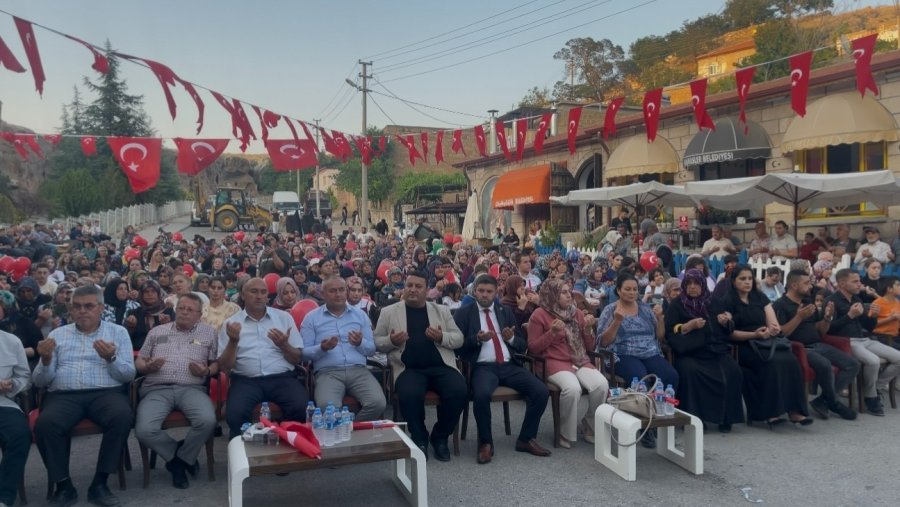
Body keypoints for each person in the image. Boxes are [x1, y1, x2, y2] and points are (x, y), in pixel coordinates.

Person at [32, 285, 136, 507]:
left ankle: (100, 483)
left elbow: (128, 375)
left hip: (105, 393)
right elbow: (39, 381)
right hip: (64, 395)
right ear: (70, 309)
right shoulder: (57, 334)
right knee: (45, 424)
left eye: (88, 306)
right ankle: (64, 486)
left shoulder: (117, 332)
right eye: (77, 306)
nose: (82, 311)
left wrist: (111, 358)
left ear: (100, 308)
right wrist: (46, 360)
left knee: (121, 416)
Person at [453, 275, 551, 464]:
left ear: (496, 292)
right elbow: (457, 346)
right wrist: (476, 339)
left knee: (541, 391)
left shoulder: (504, 310)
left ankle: (525, 439)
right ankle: (486, 443)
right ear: (474, 291)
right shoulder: (464, 313)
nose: (484, 295)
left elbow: (522, 345)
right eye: (481, 291)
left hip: (509, 365)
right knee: (481, 395)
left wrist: (511, 339)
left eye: (489, 291)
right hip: (483, 367)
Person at [374, 271, 466, 462]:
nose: (413, 290)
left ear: (427, 290)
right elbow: (376, 342)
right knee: (409, 395)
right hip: (409, 368)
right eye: (409, 286)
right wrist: (391, 340)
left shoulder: (441, 310)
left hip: (441, 366)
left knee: (459, 391)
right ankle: (419, 438)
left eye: (418, 286)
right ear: (404, 288)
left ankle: (440, 437)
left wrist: (442, 337)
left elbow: (459, 339)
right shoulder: (388, 312)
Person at [135, 293, 218, 489]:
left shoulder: (209, 333)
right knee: (145, 430)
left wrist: (206, 370)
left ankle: (178, 463)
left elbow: (216, 364)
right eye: (181, 308)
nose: (184, 312)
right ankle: (181, 455)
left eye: (190, 310)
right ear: (175, 309)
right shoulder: (158, 331)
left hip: (192, 388)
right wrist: (147, 367)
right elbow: (140, 360)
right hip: (156, 389)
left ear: (199, 314)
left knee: (207, 421)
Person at [711, 265, 811, 427]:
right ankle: (771, 413)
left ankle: (795, 411)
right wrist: (754, 334)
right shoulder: (727, 301)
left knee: (790, 360)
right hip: (743, 343)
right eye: (742, 279)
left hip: (765, 340)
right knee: (770, 363)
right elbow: (730, 333)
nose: (747, 282)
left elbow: (773, 321)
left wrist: (773, 329)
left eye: (750, 278)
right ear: (734, 281)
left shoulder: (760, 297)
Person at [217, 278, 308, 437]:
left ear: (268, 296)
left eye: (263, 292)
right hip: (246, 380)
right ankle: (245, 457)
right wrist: (233, 342)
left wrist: (284, 345)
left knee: (300, 407)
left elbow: (296, 359)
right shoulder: (231, 323)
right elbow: (225, 367)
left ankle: (284, 444)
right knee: (235, 415)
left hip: (282, 378)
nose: (259, 296)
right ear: (243, 295)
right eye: (254, 292)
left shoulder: (283, 318)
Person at [597, 273, 677, 447]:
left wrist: (661, 318)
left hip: (649, 352)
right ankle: (644, 427)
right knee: (639, 377)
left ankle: (660, 420)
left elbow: (660, 337)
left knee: (670, 375)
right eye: (627, 289)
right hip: (622, 353)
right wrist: (616, 322)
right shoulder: (610, 310)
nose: (632, 293)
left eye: (634, 289)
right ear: (618, 290)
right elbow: (603, 341)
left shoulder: (646, 309)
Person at [528, 278, 607, 449]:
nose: (569, 296)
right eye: (563, 292)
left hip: (579, 359)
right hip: (553, 361)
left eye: (569, 292)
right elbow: (533, 348)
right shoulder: (539, 314)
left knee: (601, 384)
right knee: (572, 388)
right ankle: (564, 431)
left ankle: (589, 424)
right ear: (553, 295)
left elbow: (589, 346)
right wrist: (552, 332)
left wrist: (588, 329)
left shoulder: (576, 313)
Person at [664, 269, 744, 432]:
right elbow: (670, 332)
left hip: (714, 350)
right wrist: (688, 327)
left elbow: (726, 330)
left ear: (703, 285)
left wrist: (725, 322)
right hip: (690, 352)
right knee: (689, 372)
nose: (693, 287)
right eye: (689, 284)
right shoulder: (677, 304)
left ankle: (725, 418)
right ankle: (696, 418)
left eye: (697, 284)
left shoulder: (713, 302)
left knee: (732, 371)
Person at [773, 270, 858, 420]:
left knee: (852, 364)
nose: (810, 286)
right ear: (794, 285)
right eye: (806, 283)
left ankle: (823, 400)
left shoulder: (808, 302)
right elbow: (781, 333)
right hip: (799, 349)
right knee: (824, 365)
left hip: (817, 344)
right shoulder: (780, 305)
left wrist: (826, 318)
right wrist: (799, 317)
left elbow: (820, 330)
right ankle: (834, 403)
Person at [301, 276, 386, 421]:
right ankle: (344, 431)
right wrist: (322, 348)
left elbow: (371, 350)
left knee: (378, 403)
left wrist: (360, 343)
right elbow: (303, 354)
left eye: (341, 290)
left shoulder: (360, 315)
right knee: (328, 408)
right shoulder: (311, 318)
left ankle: (350, 429)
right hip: (328, 372)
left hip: (358, 370)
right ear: (323, 294)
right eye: (333, 291)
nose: (338, 294)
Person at [827, 268, 900, 416]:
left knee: (898, 358)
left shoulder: (856, 299)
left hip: (864, 338)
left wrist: (872, 315)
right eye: (855, 281)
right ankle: (870, 397)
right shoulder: (832, 301)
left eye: (859, 281)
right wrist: (849, 315)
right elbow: (828, 329)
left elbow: (869, 327)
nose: (859, 284)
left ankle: (875, 388)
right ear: (841, 283)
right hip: (846, 341)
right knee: (873, 361)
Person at [0, 328, 30, 507]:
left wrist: (11, 385)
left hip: (3, 403)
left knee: (19, 435)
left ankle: (4, 497)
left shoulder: (11, 341)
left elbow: (24, 377)